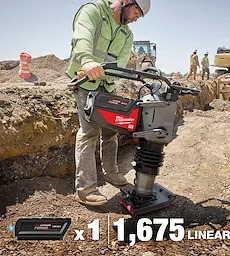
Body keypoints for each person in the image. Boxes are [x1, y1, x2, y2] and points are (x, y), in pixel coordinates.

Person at [66, 0, 151, 206]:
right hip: (85, 81)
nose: (136, 18)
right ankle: (85, 188)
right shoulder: (93, 11)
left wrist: (109, 76)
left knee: (112, 130)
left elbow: (120, 64)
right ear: (126, 1)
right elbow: (82, 37)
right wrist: (86, 61)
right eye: (136, 11)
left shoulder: (127, 34)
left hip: (107, 84)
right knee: (89, 131)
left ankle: (111, 173)